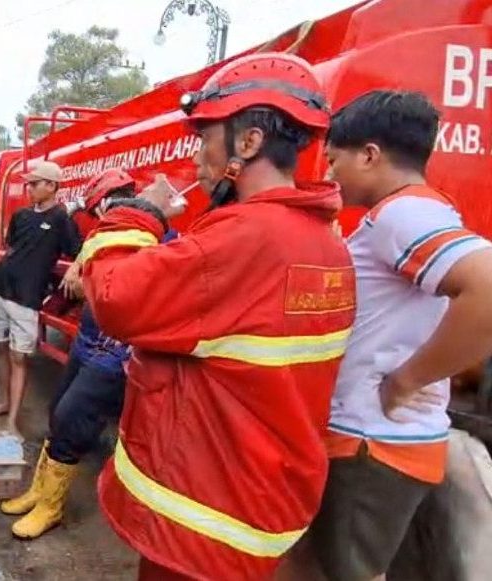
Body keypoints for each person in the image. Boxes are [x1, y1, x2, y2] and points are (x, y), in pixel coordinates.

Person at [79, 53, 356, 580]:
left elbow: (114, 296)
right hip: (261, 500)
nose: (198, 157)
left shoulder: (244, 238)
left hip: (203, 517)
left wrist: (141, 212)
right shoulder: (324, 242)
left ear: (247, 143)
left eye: (205, 138)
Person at [308, 90, 492, 581]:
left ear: (369, 154)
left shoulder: (403, 215)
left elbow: (487, 288)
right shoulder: (401, 214)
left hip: (373, 444)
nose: (329, 175)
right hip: (370, 440)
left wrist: (408, 379)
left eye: (333, 160)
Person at [3, 168, 157, 540]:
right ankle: (40, 491)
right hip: (89, 341)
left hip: (115, 352)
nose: (98, 218)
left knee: (74, 417)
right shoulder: (106, 235)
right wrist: (77, 265)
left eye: (99, 210)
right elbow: (88, 252)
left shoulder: (149, 238)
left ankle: (51, 507)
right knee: (58, 411)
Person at [0, 160, 81, 434]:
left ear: (51, 186)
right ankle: (3, 402)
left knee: (19, 357)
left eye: (34, 184)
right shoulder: (22, 216)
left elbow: (79, 251)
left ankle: (12, 420)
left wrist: (77, 269)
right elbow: (13, 247)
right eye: (29, 184)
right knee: (0, 348)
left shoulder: (62, 220)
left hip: (26, 298)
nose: (29, 188)